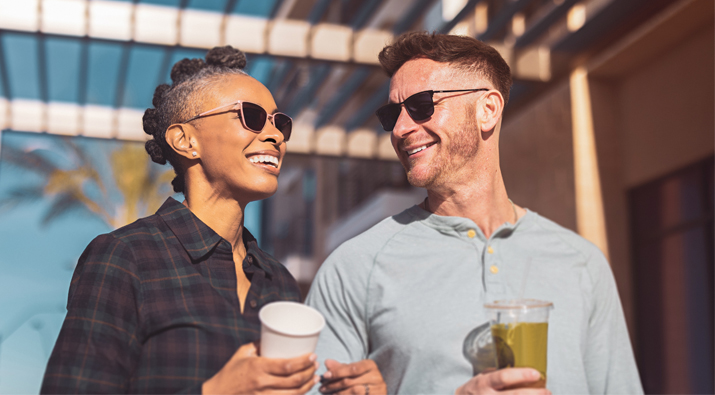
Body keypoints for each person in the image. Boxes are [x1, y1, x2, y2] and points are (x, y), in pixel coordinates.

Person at [305, 32, 643, 394]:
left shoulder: (583, 263)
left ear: (488, 110)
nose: (401, 129)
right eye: (392, 115)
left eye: (422, 105)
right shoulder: (354, 268)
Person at [41, 46, 319, 394]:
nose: (275, 135)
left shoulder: (280, 282)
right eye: (251, 116)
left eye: (280, 122)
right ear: (185, 140)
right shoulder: (125, 257)